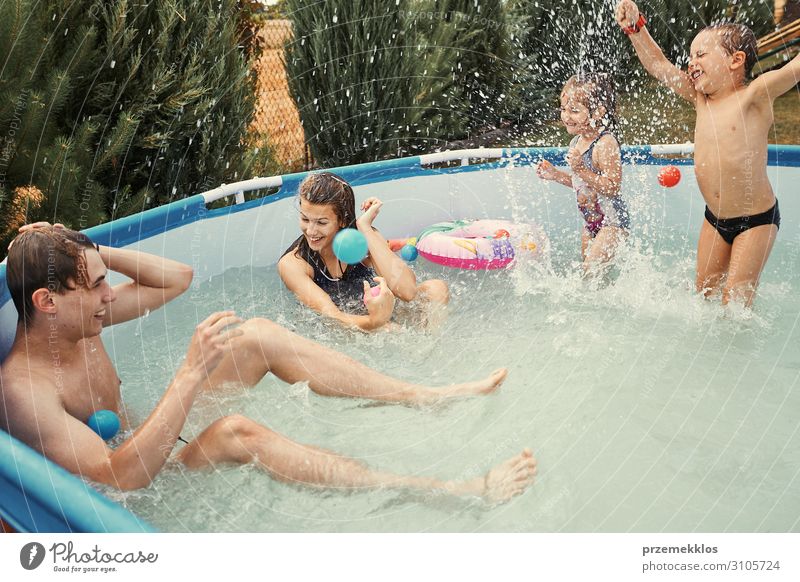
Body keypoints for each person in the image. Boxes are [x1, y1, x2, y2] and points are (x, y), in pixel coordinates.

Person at [0, 224, 535, 502]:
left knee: (254, 335)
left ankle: (424, 396)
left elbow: (177, 278)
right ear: (48, 301)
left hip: (156, 440)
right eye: (95, 287)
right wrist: (189, 373)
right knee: (236, 431)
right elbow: (121, 479)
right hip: (145, 487)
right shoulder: (24, 391)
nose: (110, 295)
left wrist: (89, 251)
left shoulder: (77, 322)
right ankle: (450, 491)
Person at [616, 0, 800, 306]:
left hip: (756, 221)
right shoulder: (701, 99)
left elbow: (794, 68)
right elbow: (659, 67)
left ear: (735, 60)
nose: (691, 62)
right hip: (714, 219)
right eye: (690, 55)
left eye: (701, 54)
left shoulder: (755, 96)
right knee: (704, 295)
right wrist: (635, 29)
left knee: (735, 303)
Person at [278, 172, 449, 331]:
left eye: (321, 223)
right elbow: (333, 317)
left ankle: (432, 349)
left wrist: (365, 227)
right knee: (390, 330)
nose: (311, 231)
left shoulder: (362, 239)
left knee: (436, 289)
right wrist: (376, 321)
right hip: (346, 325)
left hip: (380, 309)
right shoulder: (294, 264)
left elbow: (407, 291)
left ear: (343, 220)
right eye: (305, 219)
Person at [536, 73, 629, 272]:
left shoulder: (605, 143)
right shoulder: (576, 142)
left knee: (589, 273)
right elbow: (582, 184)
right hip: (591, 223)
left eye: (575, 111)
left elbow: (612, 187)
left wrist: (580, 169)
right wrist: (556, 175)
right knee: (592, 280)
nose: (566, 116)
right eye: (563, 109)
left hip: (613, 223)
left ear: (598, 112)